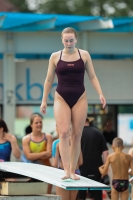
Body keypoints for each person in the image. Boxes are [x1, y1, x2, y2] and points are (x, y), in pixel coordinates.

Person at [40, 27, 106, 180]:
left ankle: (72, 170)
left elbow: (93, 76)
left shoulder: (84, 55)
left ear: (76, 40)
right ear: (62, 40)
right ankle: (65, 171)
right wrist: (44, 100)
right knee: (63, 133)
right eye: (66, 40)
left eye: (71, 40)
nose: (69, 43)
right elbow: (49, 79)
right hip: (61, 97)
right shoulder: (55, 57)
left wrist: (100, 94)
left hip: (80, 97)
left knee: (77, 135)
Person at [77, 115, 109, 200]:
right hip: (97, 169)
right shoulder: (98, 133)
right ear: (88, 121)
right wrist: (105, 170)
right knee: (96, 195)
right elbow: (105, 153)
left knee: (80, 195)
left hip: (80, 169)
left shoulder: (76, 134)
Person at [22, 113, 53, 193]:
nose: (39, 124)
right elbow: (28, 156)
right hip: (32, 171)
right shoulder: (26, 139)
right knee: (34, 194)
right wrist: (44, 153)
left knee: (47, 195)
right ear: (31, 124)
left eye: (40, 122)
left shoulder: (48, 136)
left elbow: (49, 154)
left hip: (47, 170)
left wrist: (34, 156)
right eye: (36, 123)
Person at [52, 135, 83, 200]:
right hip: (75, 172)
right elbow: (80, 162)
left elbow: (54, 164)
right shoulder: (77, 144)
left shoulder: (57, 144)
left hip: (63, 172)